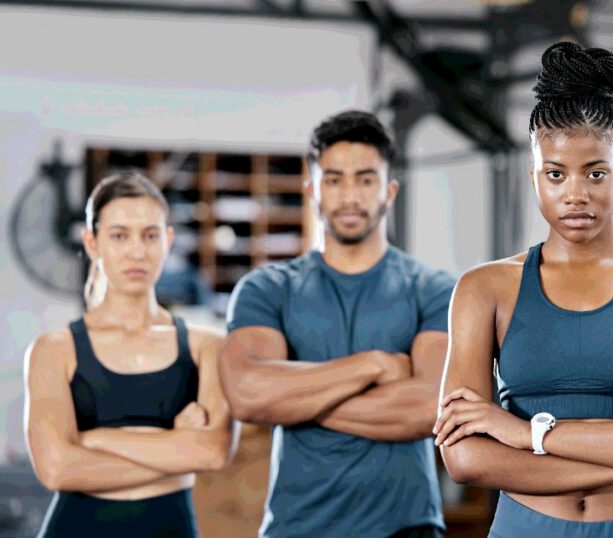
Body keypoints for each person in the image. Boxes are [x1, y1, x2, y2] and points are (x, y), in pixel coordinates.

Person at [433, 41, 613, 537]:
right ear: (534, 176)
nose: (575, 194)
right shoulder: (485, 289)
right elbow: (465, 457)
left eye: (596, 173)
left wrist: (527, 434)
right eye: (555, 174)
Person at [219, 110, 456, 538]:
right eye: (334, 179)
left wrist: (296, 400)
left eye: (366, 179)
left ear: (390, 190)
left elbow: (430, 407)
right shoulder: (267, 289)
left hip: (406, 528)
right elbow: (248, 395)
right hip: (297, 528)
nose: (350, 195)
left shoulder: (434, 289)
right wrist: (373, 366)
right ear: (312, 189)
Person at [25, 172, 236, 537]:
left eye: (150, 235)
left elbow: (214, 452)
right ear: (92, 243)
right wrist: (177, 454)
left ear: (167, 241)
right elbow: (56, 469)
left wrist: (96, 440)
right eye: (119, 235)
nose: (137, 251)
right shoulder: (54, 350)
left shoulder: (209, 347)